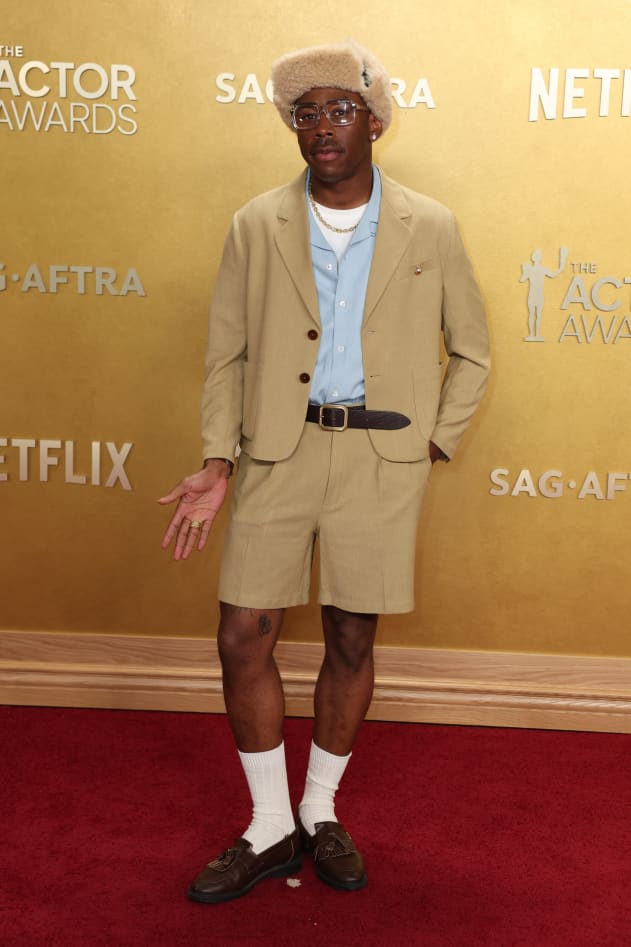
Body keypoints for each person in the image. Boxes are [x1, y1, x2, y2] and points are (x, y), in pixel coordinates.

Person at [159, 39, 489, 904]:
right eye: (305, 113)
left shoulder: (433, 225)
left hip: (381, 457)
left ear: (374, 120)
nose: (320, 127)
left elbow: (475, 354)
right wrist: (216, 458)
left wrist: (430, 441)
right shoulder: (253, 222)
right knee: (243, 634)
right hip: (277, 450)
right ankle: (268, 827)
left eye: (338, 109)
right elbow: (225, 356)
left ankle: (319, 811)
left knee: (351, 637)